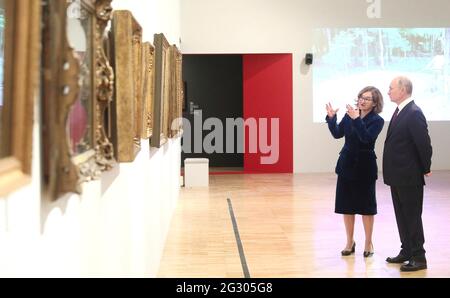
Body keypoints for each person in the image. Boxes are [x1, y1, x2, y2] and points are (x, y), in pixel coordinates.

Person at [326, 86, 384, 257]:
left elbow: (366, 138)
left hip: (365, 167)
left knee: (367, 207)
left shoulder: (377, 120)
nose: (362, 100)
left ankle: (368, 242)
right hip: (346, 165)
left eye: (367, 98)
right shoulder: (350, 114)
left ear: (375, 103)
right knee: (347, 206)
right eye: (361, 97)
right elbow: (337, 133)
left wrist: (357, 119)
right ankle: (349, 241)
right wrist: (331, 118)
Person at [383, 76, 432, 272]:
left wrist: (425, 167)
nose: (388, 91)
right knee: (401, 216)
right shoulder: (400, 111)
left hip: (409, 175)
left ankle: (419, 257)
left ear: (403, 90)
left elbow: (423, 144)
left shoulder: (413, 113)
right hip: (397, 175)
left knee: (412, 216)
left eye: (391, 88)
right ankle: (407, 250)